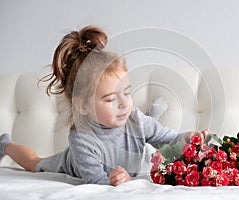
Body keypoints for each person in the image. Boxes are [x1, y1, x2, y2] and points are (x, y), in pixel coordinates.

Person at [0, 25, 210, 186]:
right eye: (110, 99)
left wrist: (188, 137)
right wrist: (113, 180)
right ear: (82, 106)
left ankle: (152, 114)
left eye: (127, 93)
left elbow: (168, 139)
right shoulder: (81, 139)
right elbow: (95, 181)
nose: (123, 104)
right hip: (71, 162)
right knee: (34, 163)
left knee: (146, 127)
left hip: (135, 143)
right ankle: (5, 144)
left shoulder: (133, 117)